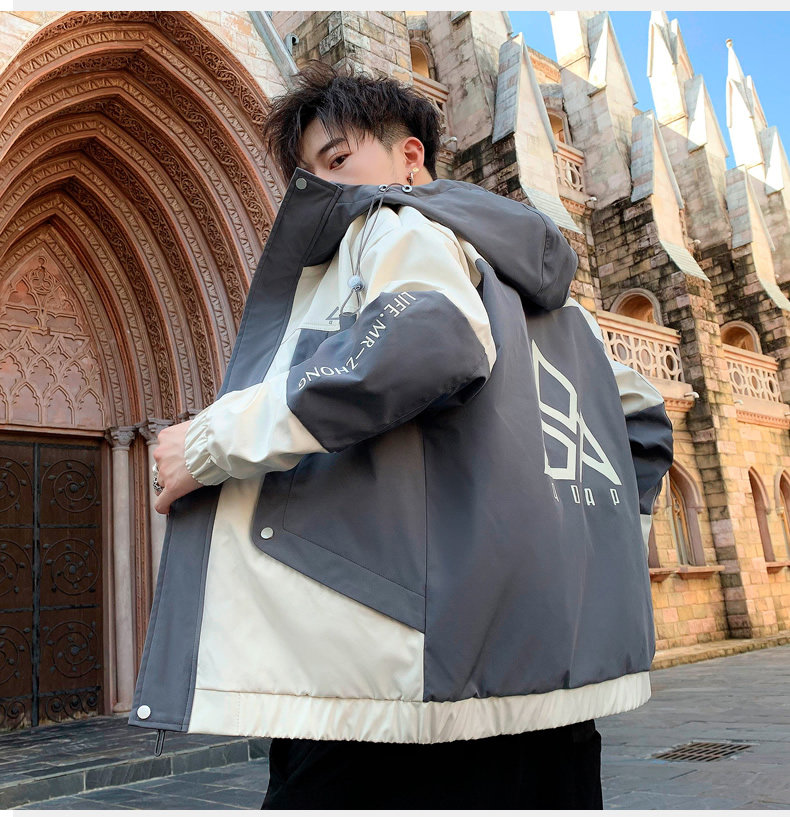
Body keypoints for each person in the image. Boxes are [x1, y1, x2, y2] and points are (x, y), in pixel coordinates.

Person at [133, 63, 674, 809]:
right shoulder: (556, 307)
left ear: (409, 157)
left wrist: (208, 442)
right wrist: (587, 547)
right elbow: (642, 416)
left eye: (337, 159)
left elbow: (429, 336)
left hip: (394, 695)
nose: (323, 188)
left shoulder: (392, 222)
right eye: (307, 176)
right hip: (547, 697)